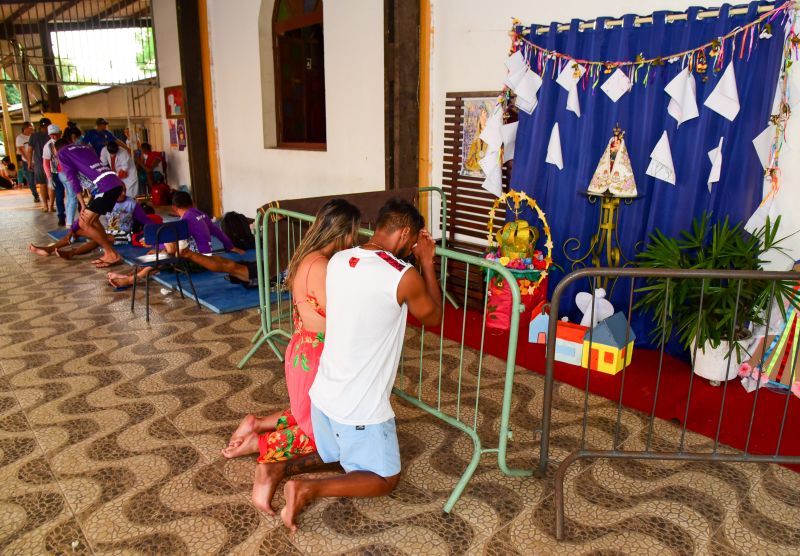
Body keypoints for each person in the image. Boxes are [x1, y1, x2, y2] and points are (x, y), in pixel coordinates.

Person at [280, 198, 442, 531]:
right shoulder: (403, 274)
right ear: (406, 234)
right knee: (385, 477)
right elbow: (434, 316)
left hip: (323, 392)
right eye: (413, 244)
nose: (413, 250)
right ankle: (307, 488)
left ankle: (277, 467)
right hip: (359, 406)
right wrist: (427, 262)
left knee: (342, 458)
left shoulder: (339, 259)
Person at [219, 200, 361, 514]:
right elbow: (337, 316)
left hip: (301, 349)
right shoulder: (323, 266)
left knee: (308, 414)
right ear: (340, 231)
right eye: (351, 233)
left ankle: (255, 426)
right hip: (317, 357)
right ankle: (265, 459)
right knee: (318, 432)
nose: (353, 241)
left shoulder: (304, 258)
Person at [106, 191, 243, 288]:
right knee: (157, 255)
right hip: (207, 258)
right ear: (192, 203)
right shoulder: (201, 214)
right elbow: (217, 231)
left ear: (174, 207)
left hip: (199, 263)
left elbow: (172, 249)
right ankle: (130, 276)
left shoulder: (184, 222)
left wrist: (156, 247)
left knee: (158, 258)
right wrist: (231, 246)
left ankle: (130, 280)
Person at [54, 138, 125, 267]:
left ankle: (111, 254)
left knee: (84, 222)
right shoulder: (84, 147)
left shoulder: (62, 153)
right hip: (113, 182)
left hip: (104, 187)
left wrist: (82, 204)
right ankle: (107, 248)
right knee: (93, 220)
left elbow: (72, 179)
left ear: (56, 149)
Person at [28, 189, 152, 260]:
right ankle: (50, 249)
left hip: (124, 234)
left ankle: (72, 252)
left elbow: (146, 221)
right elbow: (87, 216)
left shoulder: (132, 203)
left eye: (124, 191)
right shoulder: (107, 201)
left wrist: (152, 235)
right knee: (81, 229)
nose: (123, 194)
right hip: (109, 231)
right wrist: (73, 228)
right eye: (119, 192)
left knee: (98, 239)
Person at [42, 124, 67, 226]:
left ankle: (80, 211)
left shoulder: (66, 142)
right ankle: (61, 217)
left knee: (74, 193)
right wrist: (49, 177)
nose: (55, 137)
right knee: (59, 195)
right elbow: (46, 163)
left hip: (68, 172)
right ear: (49, 135)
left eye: (56, 134)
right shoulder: (48, 146)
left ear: (60, 133)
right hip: (56, 173)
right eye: (52, 135)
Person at [60, 127, 83, 227]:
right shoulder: (70, 147)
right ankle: (69, 223)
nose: (78, 139)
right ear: (73, 136)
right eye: (77, 137)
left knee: (70, 198)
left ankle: (68, 221)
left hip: (61, 173)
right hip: (67, 173)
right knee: (73, 198)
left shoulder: (62, 145)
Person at [28, 118, 51, 212]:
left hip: (39, 163)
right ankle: (52, 205)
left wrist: (29, 162)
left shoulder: (34, 136)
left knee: (42, 184)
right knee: (51, 184)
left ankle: (45, 206)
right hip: (50, 163)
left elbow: (29, 150)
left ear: (40, 126)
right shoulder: (51, 135)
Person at [15, 121, 38, 202]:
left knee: (42, 178)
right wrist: (29, 161)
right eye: (31, 128)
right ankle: (36, 195)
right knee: (31, 179)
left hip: (37, 160)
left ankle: (46, 194)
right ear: (26, 128)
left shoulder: (34, 136)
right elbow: (21, 150)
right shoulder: (20, 138)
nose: (33, 129)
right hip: (27, 161)